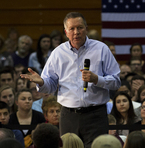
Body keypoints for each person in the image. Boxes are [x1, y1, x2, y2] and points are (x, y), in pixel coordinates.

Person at [20, 12, 121, 148]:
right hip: (68, 115)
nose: (76, 32)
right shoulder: (58, 53)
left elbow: (116, 81)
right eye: (72, 29)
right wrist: (42, 82)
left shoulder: (101, 49)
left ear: (86, 28)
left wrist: (97, 79)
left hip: (96, 115)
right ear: (66, 32)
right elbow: (50, 85)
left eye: (80, 27)